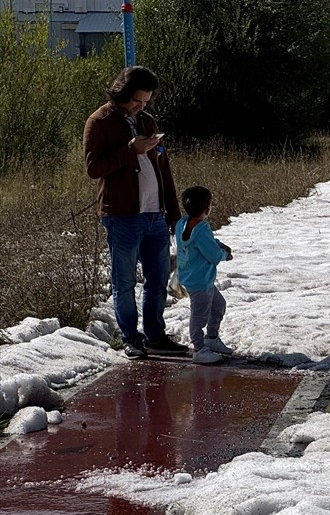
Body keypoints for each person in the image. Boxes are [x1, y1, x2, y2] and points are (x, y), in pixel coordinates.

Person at [84, 66, 188, 358]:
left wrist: (174, 213)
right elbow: (94, 168)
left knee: (157, 280)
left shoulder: (147, 120)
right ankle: (131, 338)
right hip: (122, 215)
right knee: (125, 281)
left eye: (146, 102)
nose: (141, 107)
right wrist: (132, 149)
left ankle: (156, 336)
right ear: (121, 93)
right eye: (136, 101)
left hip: (156, 214)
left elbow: (164, 168)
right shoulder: (99, 121)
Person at [174, 186, 234, 365]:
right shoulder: (202, 229)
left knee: (218, 306)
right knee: (198, 316)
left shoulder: (181, 224)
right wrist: (224, 254)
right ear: (207, 209)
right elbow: (213, 256)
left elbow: (205, 244)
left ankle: (212, 338)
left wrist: (217, 243)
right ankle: (199, 349)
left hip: (196, 278)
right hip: (200, 282)